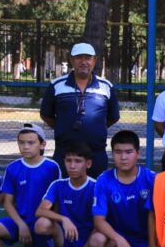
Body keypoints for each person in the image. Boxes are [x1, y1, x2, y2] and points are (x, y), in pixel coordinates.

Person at [85, 130, 157, 247]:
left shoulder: (152, 179)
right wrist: (119, 240)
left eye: (128, 152)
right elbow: (98, 221)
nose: (123, 157)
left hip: (144, 240)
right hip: (115, 238)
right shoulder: (104, 179)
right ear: (112, 154)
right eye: (118, 152)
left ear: (138, 153)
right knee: (96, 241)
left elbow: (159, 220)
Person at [40, 42, 120, 177]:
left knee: (96, 188)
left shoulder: (106, 86)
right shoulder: (57, 85)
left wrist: (96, 126)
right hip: (65, 153)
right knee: (64, 188)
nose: (83, 62)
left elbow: (113, 116)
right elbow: (46, 114)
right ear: (71, 60)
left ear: (94, 60)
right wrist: (62, 127)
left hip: (96, 153)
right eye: (78, 57)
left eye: (88, 58)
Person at [33, 142, 97, 247]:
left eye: (78, 161)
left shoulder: (96, 187)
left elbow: (99, 225)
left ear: (88, 164)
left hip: (87, 245)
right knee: (41, 224)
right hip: (64, 239)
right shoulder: (58, 185)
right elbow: (40, 211)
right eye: (68, 161)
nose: (72, 166)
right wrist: (64, 219)